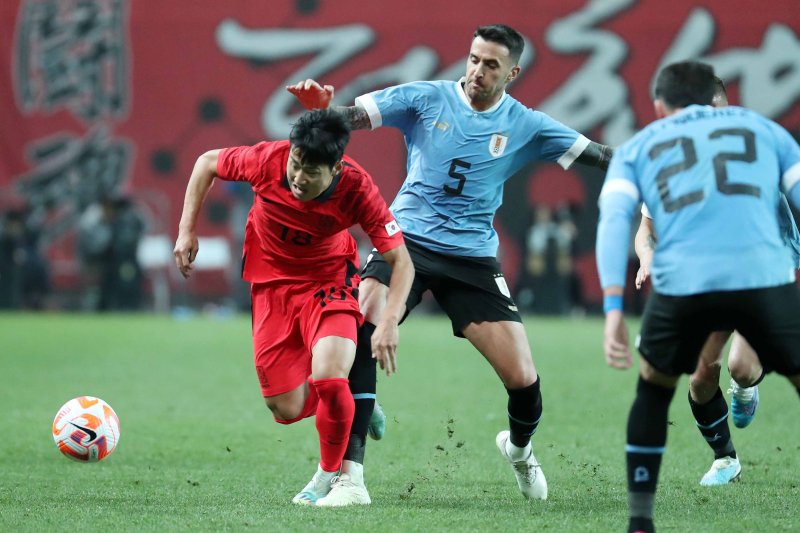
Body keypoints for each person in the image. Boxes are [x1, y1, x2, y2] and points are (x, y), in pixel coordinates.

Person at [288, 23, 613, 503]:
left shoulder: (527, 124)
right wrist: (325, 111)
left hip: (473, 258)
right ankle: (350, 478)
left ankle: (520, 452)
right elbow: (353, 116)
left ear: (513, 73)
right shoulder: (427, 98)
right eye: (474, 59)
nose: (477, 71)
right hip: (407, 242)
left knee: (523, 380)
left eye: (491, 65)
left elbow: (601, 155)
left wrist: (651, 162)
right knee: (360, 325)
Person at [597, 61, 800, 533]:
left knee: (656, 387)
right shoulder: (764, 131)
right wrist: (646, 256)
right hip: (758, 277)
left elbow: (613, 220)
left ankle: (640, 521)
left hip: (698, 280)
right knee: (701, 378)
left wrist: (612, 308)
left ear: (659, 107)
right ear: (714, 101)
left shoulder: (644, 146)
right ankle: (725, 458)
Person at [173, 109, 414, 506]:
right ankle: (357, 403)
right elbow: (206, 163)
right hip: (271, 285)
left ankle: (328, 476)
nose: (298, 178)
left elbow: (400, 260)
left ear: (335, 169)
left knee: (329, 376)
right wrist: (187, 230)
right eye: (296, 164)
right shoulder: (268, 159)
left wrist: (389, 321)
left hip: (329, 283)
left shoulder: (358, 189)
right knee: (285, 406)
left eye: (311, 172)